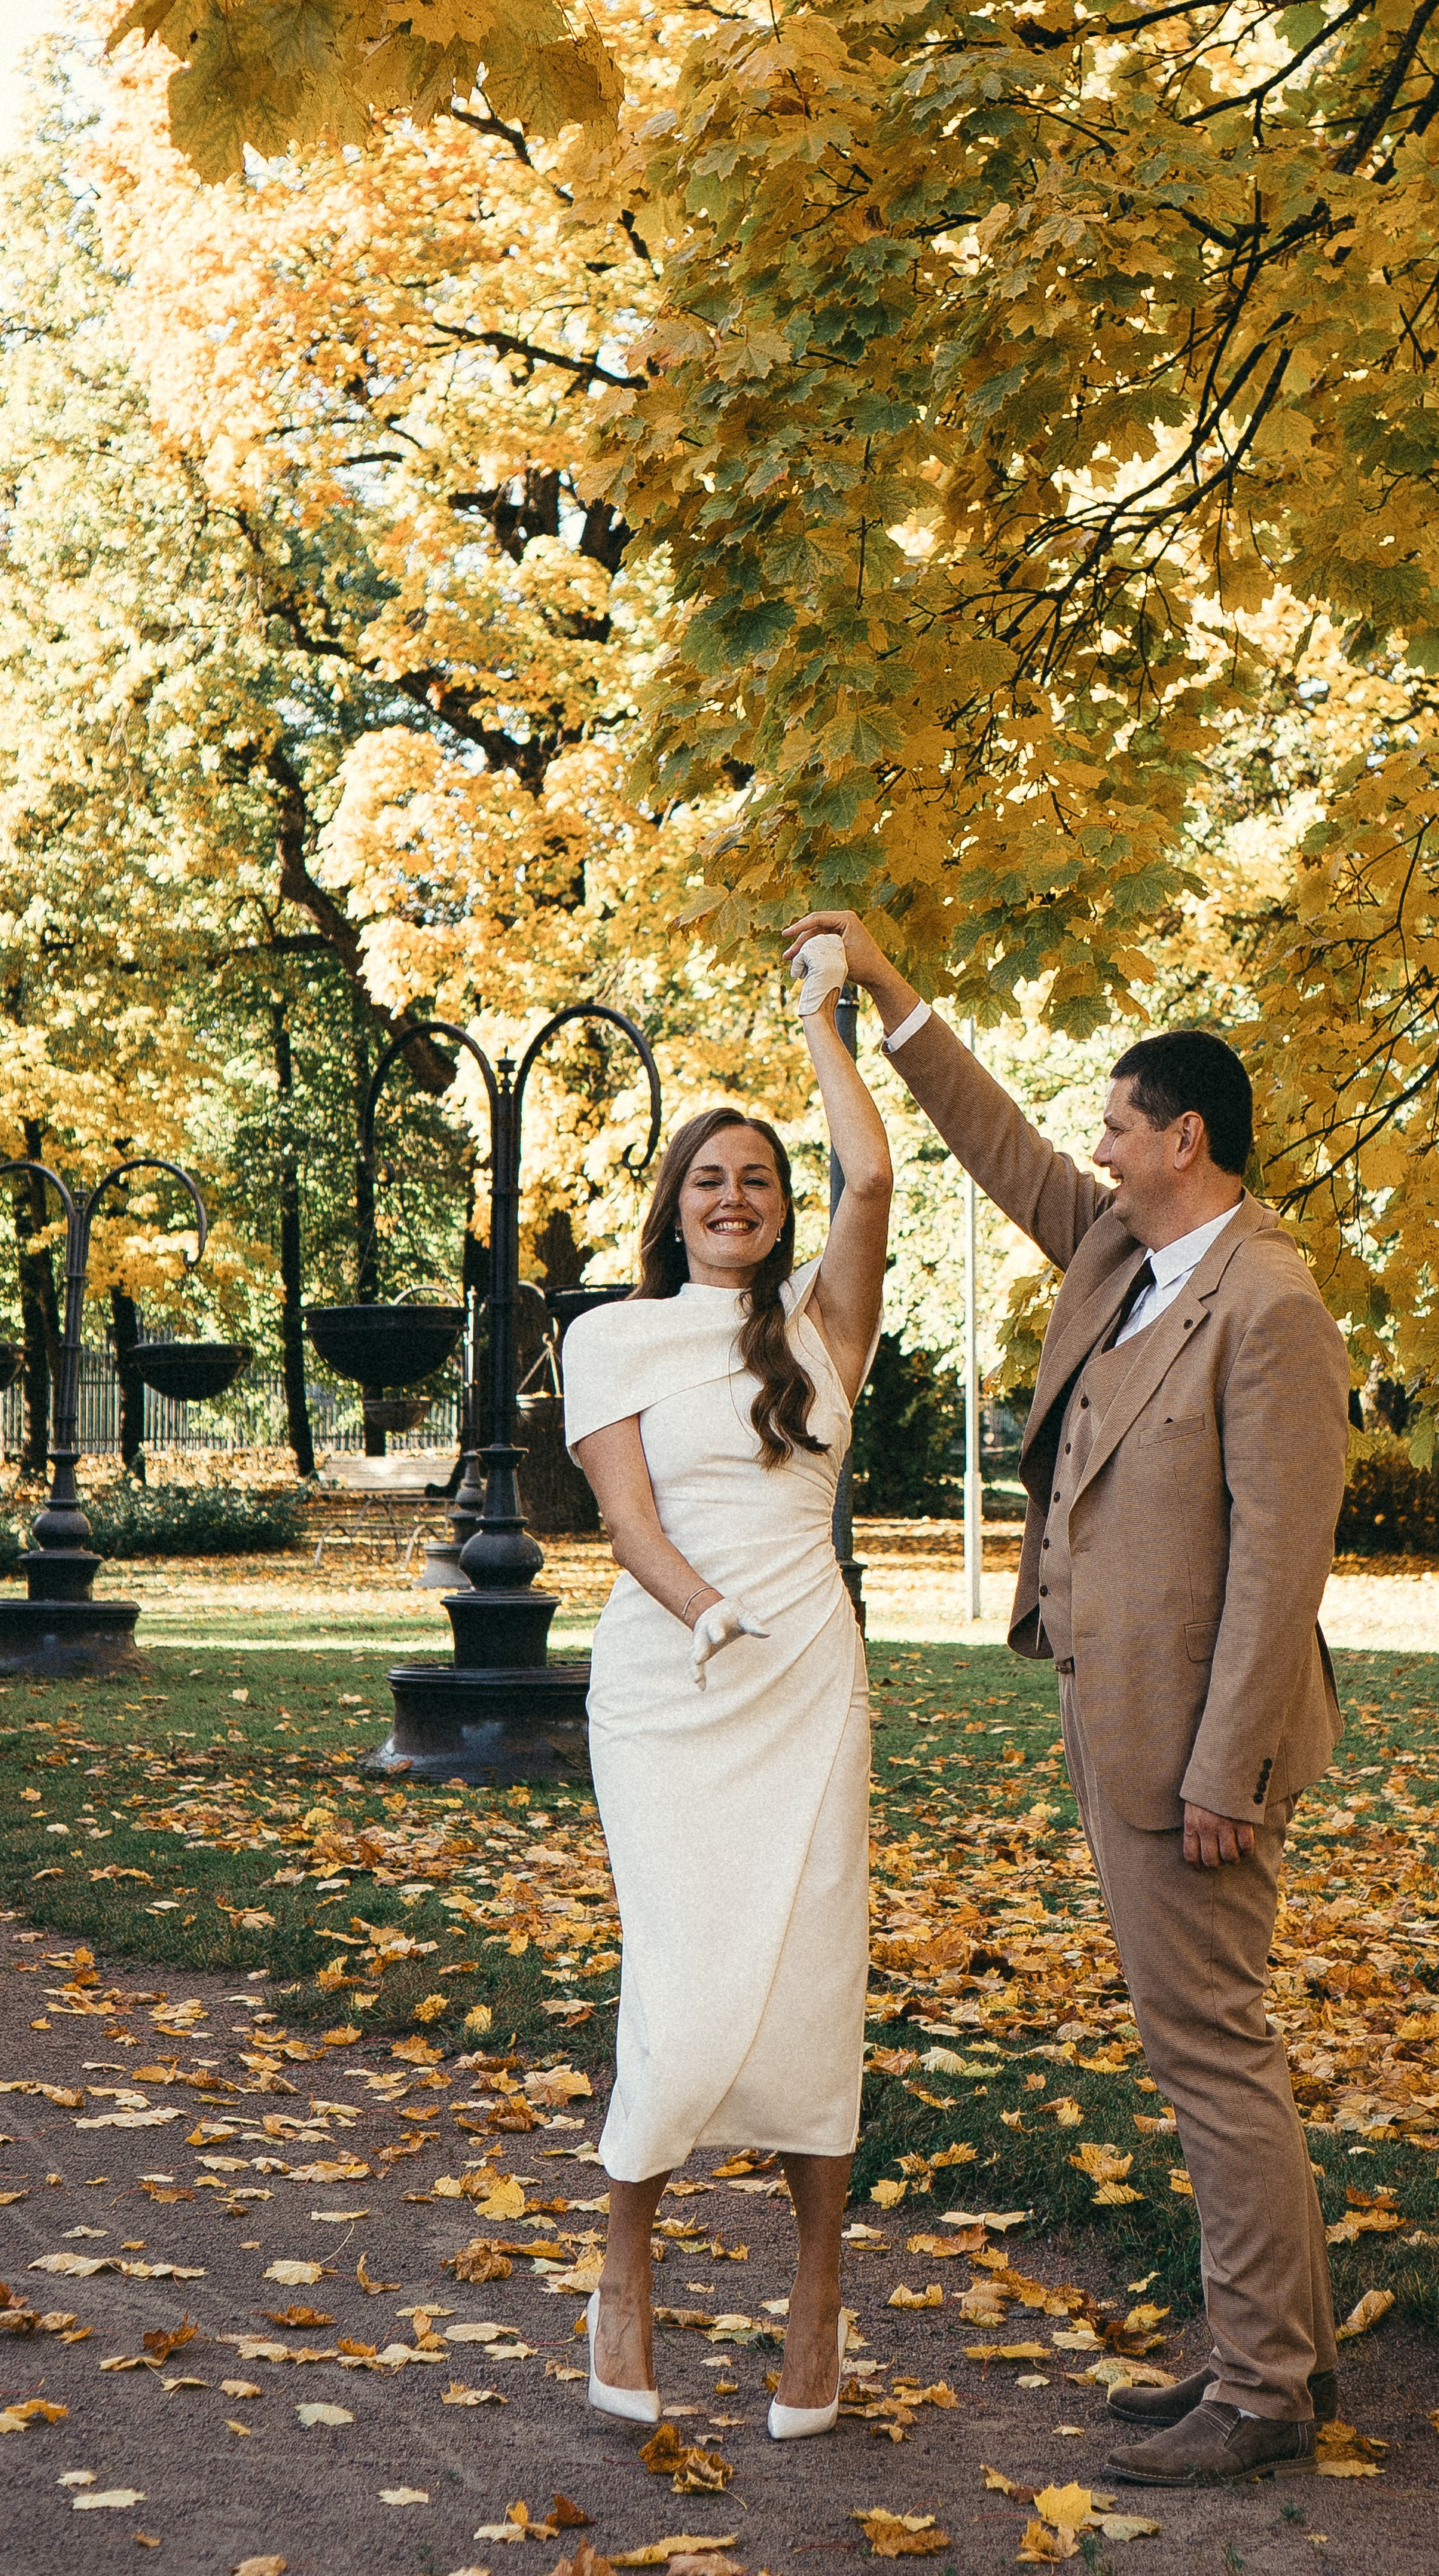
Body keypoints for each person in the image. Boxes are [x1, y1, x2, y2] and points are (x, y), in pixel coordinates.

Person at [784, 909, 1350, 2489]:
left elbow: (1276, 1574)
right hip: (1115, 1715)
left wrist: (1226, 1770)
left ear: (1183, 1138)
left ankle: (1257, 2391)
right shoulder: (1122, 1253)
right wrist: (890, 990)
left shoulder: (1270, 1308)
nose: (1091, 1149)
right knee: (1202, 2044)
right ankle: (1281, 2360)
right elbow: (991, 1138)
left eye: (1115, 1124)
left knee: (1208, 2048)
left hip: (1197, 1748)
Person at [560, 934, 888, 2442]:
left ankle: (815, 2291)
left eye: (757, 1176)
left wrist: (832, 1014)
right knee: (685, 1991)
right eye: (710, 1178)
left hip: (809, 1683)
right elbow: (628, 1524)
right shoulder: (610, 1334)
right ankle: (623, 2266)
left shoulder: (820, 1325)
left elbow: (872, 1178)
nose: (737, 1197)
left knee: (813, 1992)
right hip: (669, 1684)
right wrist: (705, 1618)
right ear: (673, 1202)